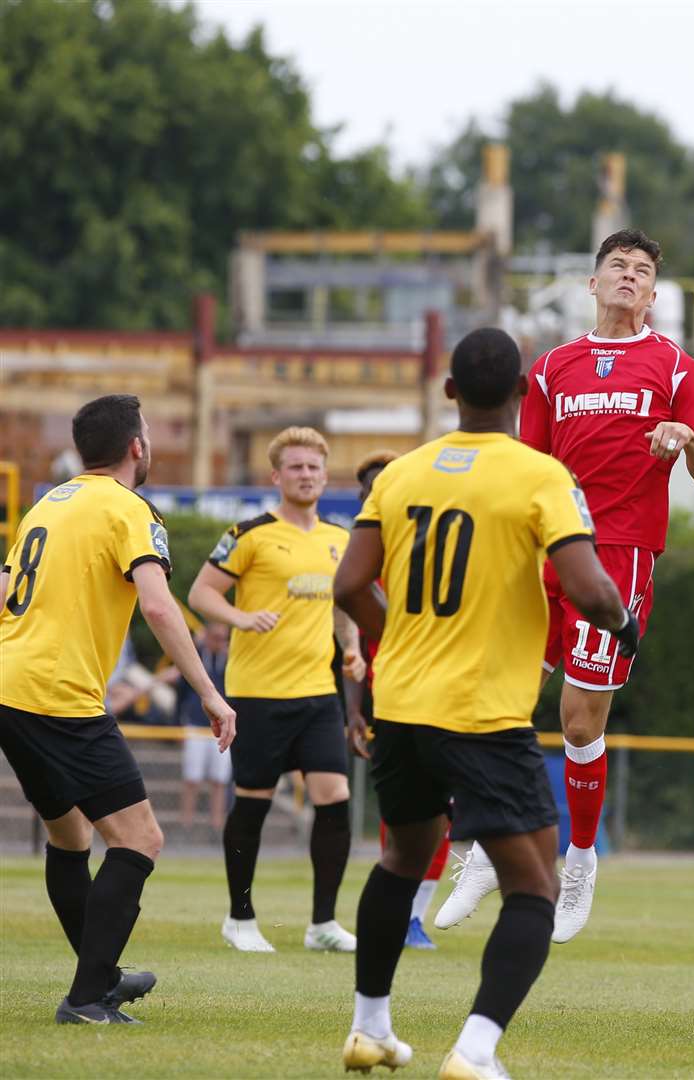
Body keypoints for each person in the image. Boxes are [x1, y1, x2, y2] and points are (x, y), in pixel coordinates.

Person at [334, 327, 638, 1079]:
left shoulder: (399, 475)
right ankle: (475, 1048)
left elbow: (347, 586)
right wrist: (623, 627)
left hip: (399, 701)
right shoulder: (541, 475)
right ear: (523, 394)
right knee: (534, 885)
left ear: (449, 393)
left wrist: (394, 637)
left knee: (402, 858)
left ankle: (370, 1027)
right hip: (481, 713)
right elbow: (591, 587)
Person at [433, 229, 694, 943]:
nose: (628, 276)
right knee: (495, 696)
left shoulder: (678, 367)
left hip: (620, 553)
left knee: (580, 721)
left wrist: (682, 440)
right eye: (617, 266)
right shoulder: (554, 368)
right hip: (543, 549)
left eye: (642, 270)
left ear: (654, 293)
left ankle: (580, 859)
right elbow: (528, 463)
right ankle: (491, 847)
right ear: (592, 284)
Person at [0, 393, 236, 1024]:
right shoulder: (130, 508)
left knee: (69, 834)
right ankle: (86, 995)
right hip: (56, 693)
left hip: (10, 686)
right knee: (141, 838)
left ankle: (99, 978)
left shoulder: (47, 502)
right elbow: (159, 606)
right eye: (150, 433)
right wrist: (211, 694)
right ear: (136, 446)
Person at [188, 426, 368, 953]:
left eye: (314, 467)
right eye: (295, 467)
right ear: (276, 475)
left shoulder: (340, 539)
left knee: (334, 798)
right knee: (254, 802)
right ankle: (239, 918)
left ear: (324, 472)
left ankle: (323, 924)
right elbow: (201, 592)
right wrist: (240, 616)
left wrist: (352, 646)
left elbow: (341, 609)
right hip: (258, 694)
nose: (306, 475)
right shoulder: (248, 534)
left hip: (317, 695)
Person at [345, 450, 452, 951]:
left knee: (446, 810)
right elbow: (349, 637)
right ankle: (387, 915)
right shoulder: (362, 552)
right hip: (386, 696)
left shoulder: (430, 544)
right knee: (401, 810)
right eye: (369, 488)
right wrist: (352, 708)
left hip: (441, 690)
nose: (377, 494)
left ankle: (413, 915)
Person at [177, 622, 233, 832]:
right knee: (192, 778)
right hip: (195, 723)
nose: (220, 643)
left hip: (220, 725)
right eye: (216, 637)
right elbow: (181, 692)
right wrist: (178, 722)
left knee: (219, 780)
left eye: (223, 638)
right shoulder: (197, 656)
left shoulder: (228, 660)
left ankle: (216, 825)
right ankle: (187, 824)